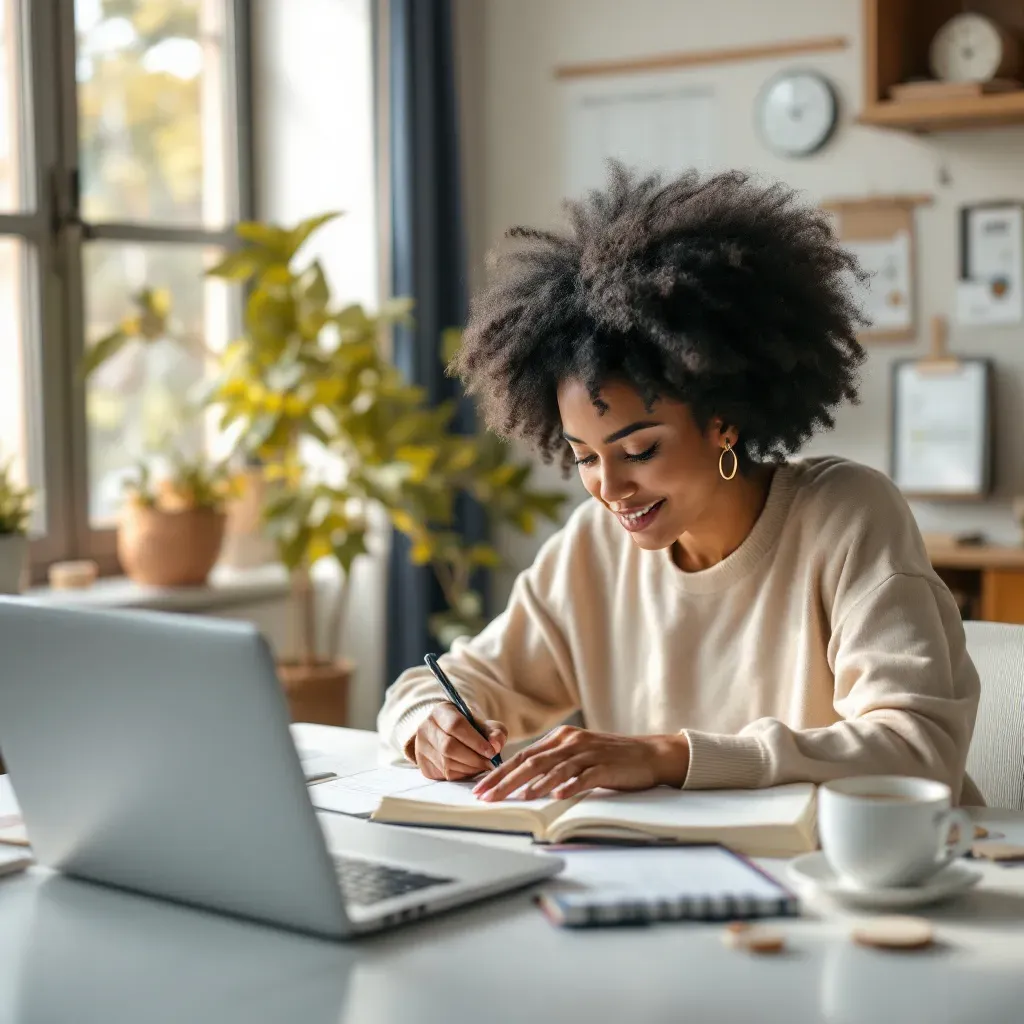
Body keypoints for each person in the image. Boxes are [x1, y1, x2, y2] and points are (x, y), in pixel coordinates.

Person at [378, 164, 982, 806]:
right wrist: (431, 726)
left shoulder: (846, 516)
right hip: (690, 881)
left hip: (876, 881)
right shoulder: (594, 548)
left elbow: (918, 750)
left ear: (723, 420)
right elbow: (436, 688)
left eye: (639, 449)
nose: (610, 488)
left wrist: (671, 755)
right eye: (584, 457)